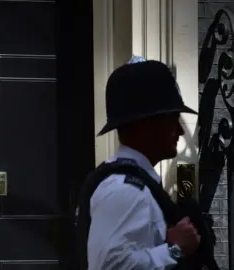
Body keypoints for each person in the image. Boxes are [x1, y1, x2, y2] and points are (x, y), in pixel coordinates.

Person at [85, 57, 201, 269]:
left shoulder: (136, 184)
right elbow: (111, 266)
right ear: (146, 126)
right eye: (173, 120)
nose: (181, 131)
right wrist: (175, 249)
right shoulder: (126, 191)